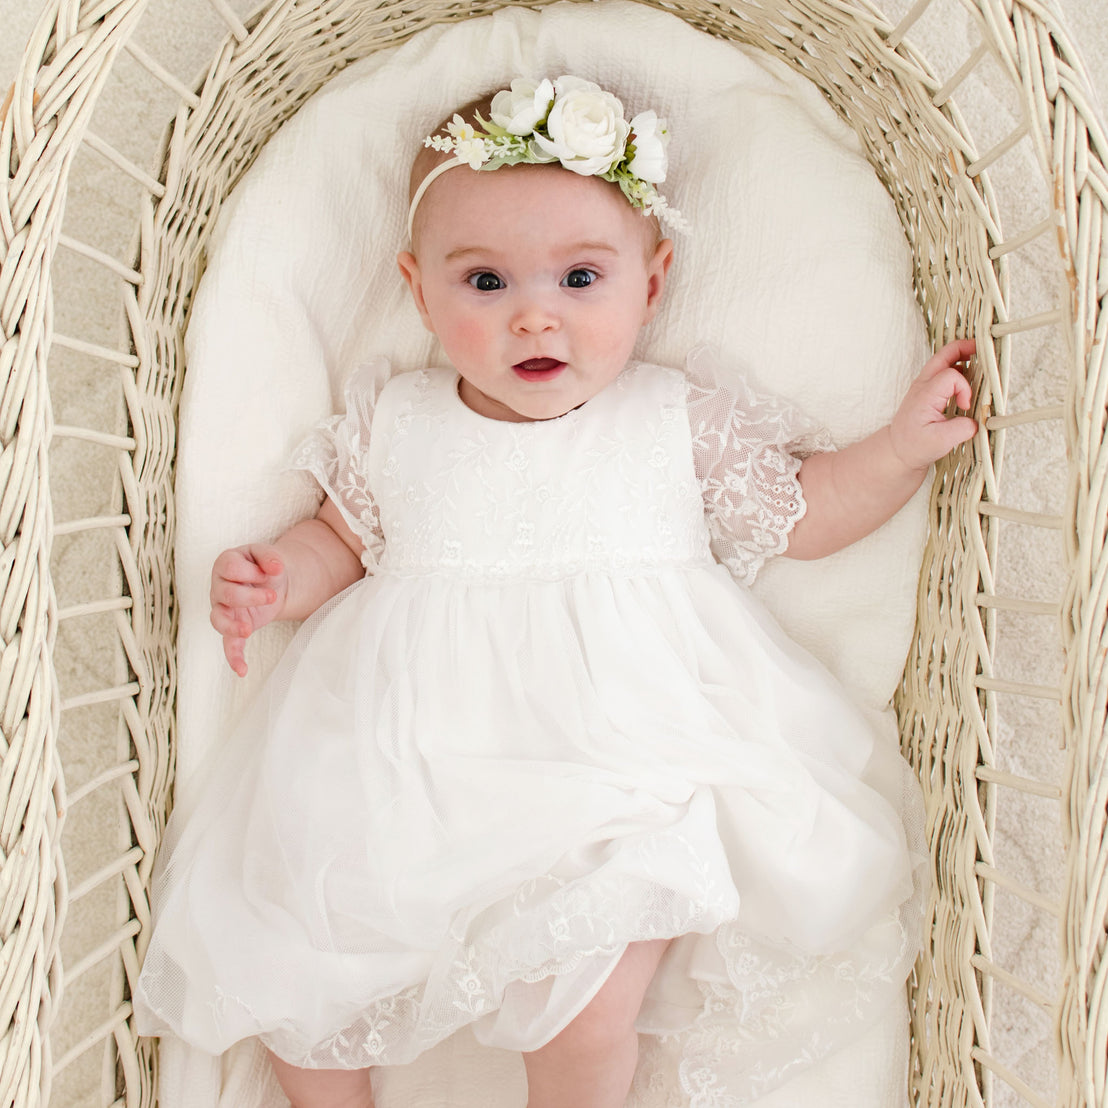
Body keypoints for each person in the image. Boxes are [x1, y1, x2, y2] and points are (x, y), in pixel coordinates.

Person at [134, 76, 976, 1108]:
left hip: (621, 769)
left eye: (581, 277)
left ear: (652, 282)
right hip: (412, 767)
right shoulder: (398, 421)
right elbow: (338, 541)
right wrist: (275, 578)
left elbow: (802, 510)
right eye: (484, 283)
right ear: (416, 286)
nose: (535, 315)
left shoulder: (670, 419)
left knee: (589, 1002)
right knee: (292, 953)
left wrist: (897, 448)